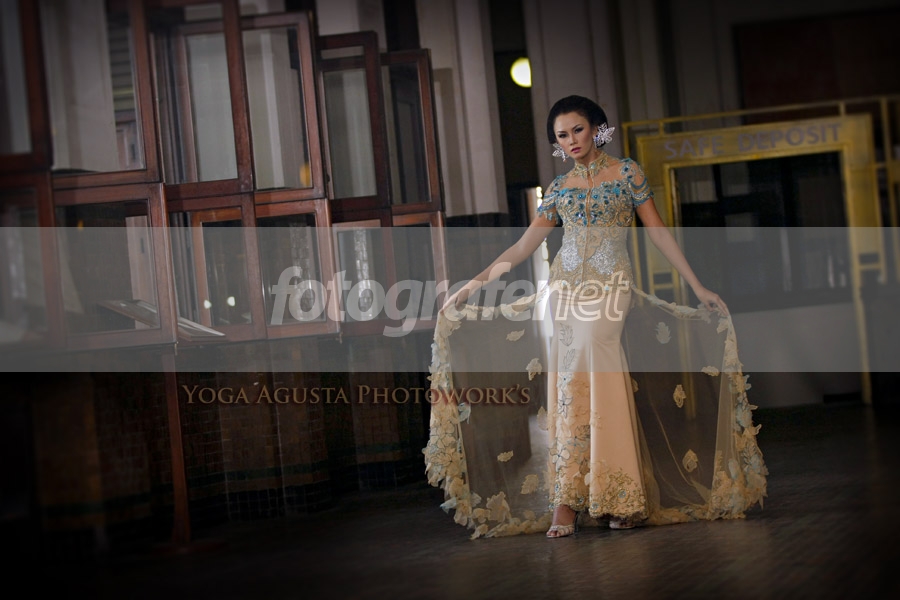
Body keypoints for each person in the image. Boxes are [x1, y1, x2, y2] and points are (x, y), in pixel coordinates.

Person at [427, 95, 766, 539]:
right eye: (561, 135)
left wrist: (697, 285)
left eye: (578, 130)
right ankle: (566, 502)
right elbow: (523, 246)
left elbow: (658, 232)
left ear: (597, 129)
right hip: (565, 291)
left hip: (611, 287)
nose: (571, 140)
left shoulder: (627, 173)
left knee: (599, 363)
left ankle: (619, 494)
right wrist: (470, 286)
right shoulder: (559, 187)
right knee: (568, 382)